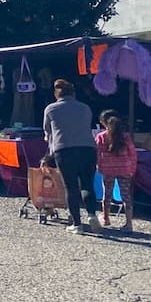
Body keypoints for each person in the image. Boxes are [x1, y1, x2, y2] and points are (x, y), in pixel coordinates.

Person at [43, 78, 100, 234]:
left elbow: (47, 132)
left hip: (64, 150)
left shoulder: (50, 109)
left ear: (56, 94)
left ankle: (77, 224)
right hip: (88, 148)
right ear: (73, 94)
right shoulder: (85, 108)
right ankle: (92, 214)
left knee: (71, 187)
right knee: (87, 184)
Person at [96, 109, 137, 233]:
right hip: (125, 169)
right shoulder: (125, 137)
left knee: (106, 195)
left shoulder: (101, 137)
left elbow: (97, 153)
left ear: (104, 123)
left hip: (107, 169)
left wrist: (99, 166)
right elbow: (133, 154)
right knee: (126, 197)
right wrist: (132, 168)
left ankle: (106, 218)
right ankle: (129, 224)